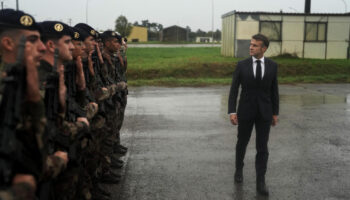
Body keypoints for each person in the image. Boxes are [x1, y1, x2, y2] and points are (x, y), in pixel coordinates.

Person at [228, 33, 279, 196]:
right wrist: (232, 111)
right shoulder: (242, 65)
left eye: (255, 45)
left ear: (264, 48)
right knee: (242, 142)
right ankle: (238, 169)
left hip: (265, 112)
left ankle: (260, 181)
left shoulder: (272, 66)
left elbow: (274, 91)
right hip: (246, 111)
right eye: (250, 44)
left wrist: (275, 113)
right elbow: (234, 89)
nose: (250, 47)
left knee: (262, 147)